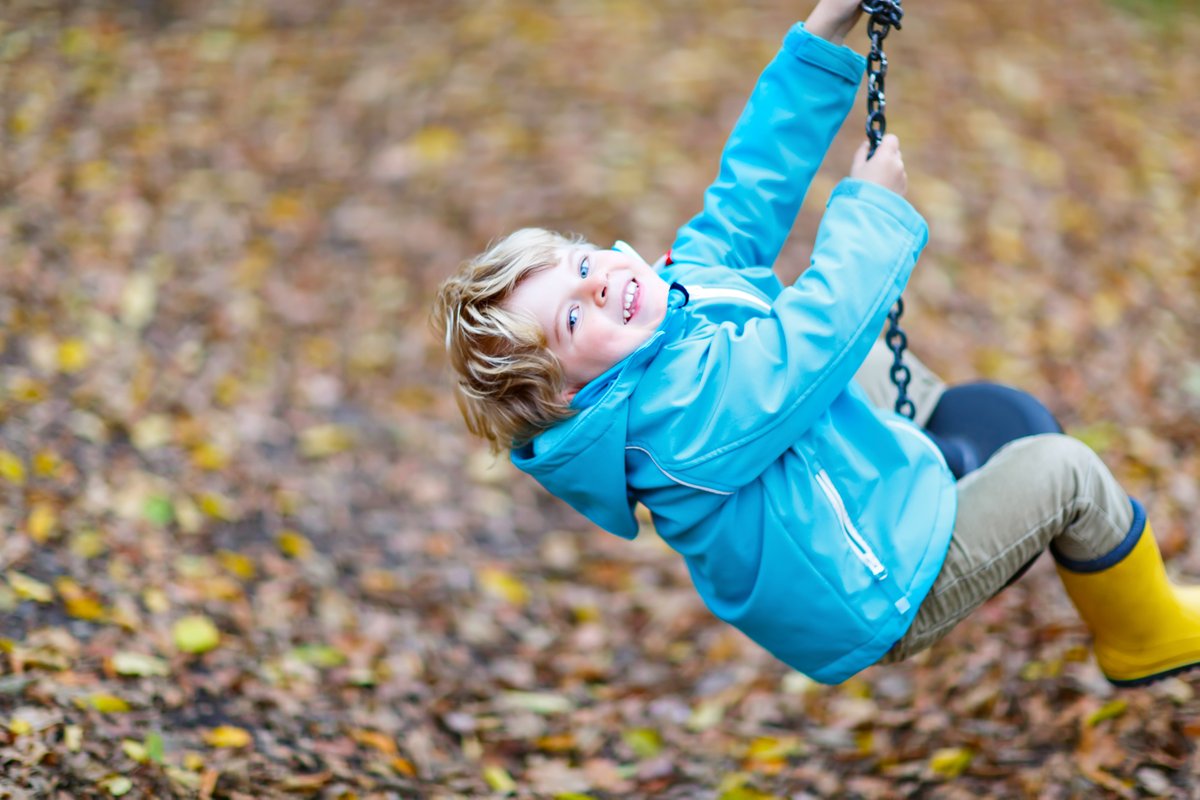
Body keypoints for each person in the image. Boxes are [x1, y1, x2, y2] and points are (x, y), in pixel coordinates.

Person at [432, 0, 1200, 687]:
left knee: (855, 357)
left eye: (582, 263)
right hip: (881, 589)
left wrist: (822, 31)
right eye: (572, 319)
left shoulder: (673, 298)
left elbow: (748, 189)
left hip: (858, 496)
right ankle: (1147, 635)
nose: (598, 284)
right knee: (1062, 471)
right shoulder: (672, 425)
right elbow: (812, 337)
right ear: (573, 398)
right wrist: (866, 209)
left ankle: (924, 452)